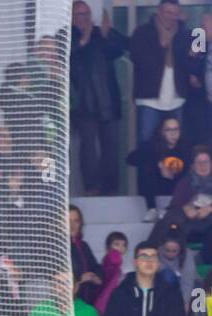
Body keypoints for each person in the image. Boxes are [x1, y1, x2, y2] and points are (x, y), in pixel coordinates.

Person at [70, 2, 126, 196]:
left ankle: (111, 188)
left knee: (111, 149)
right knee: (88, 151)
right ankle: (91, 187)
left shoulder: (99, 32)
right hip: (84, 104)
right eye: (79, 14)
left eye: (86, 14)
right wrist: (83, 40)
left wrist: (107, 33)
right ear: (71, 16)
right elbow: (65, 57)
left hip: (108, 101)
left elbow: (119, 49)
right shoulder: (66, 36)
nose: (83, 18)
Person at [148, 148, 212, 263]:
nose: (203, 166)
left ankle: (202, 261)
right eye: (199, 162)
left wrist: (211, 208)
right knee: (171, 218)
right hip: (189, 224)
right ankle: (149, 252)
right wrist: (186, 207)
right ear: (193, 165)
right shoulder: (185, 182)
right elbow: (175, 203)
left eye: (206, 162)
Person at [129, 0, 193, 146]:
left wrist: (186, 26)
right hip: (149, 99)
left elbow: (197, 49)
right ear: (158, 11)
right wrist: (163, 45)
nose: (171, 17)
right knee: (147, 144)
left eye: (175, 14)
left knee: (175, 146)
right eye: (167, 13)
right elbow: (137, 59)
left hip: (176, 99)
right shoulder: (142, 32)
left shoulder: (184, 33)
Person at [127, 116, 187, 219]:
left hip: (176, 188)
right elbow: (130, 159)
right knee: (146, 166)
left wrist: (173, 173)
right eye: (169, 130)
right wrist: (158, 164)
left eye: (176, 129)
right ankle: (152, 209)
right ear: (162, 132)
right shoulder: (151, 146)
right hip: (155, 186)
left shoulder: (185, 147)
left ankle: (169, 209)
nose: (173, 133)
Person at [69, 205, 103, 306]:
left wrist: (95, 276)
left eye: (76, 221)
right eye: (68, 221)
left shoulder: (83, 245)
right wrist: (80, 278)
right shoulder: (57, 246)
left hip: (87, 299)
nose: (72, 225)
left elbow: (96, 267)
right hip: (68, 301)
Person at [94, 232, 128, 316]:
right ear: (108, 247)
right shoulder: (110, 262)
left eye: (124, 245)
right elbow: (114, 260)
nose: (120, 248)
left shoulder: (118, 268)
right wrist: (114, 254)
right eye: (117, 244)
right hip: (106, 305)